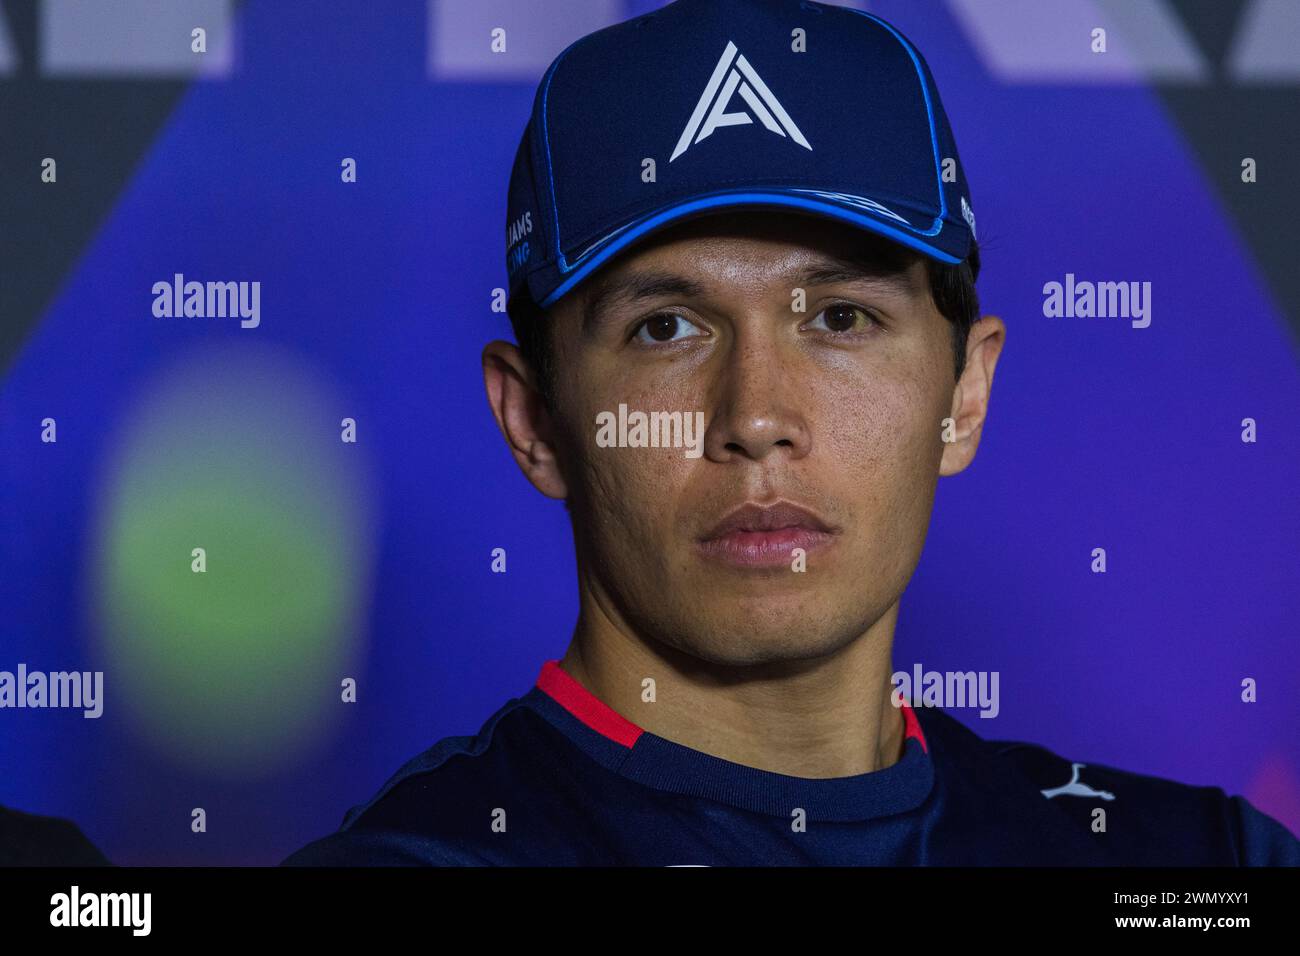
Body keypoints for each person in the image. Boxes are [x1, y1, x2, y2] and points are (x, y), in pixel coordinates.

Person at [283, 0, 1299, 865]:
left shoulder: (1202, 863)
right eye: (665, 326)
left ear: (967, 392)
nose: (757, 416)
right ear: (535, 419)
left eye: (839, 318)